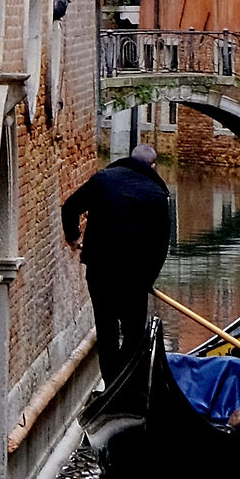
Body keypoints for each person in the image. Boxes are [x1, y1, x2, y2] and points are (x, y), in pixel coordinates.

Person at [61, 141, 172, 382]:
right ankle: (127, 384)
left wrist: (73, 237)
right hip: (135, 279)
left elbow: (69, 207)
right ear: (153, 166)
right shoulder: (157, 195)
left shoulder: (103, 180)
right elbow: (161, 246)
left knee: (107, 331)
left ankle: (112, 383)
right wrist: (148, 280)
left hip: (100, 273)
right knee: (134, 335)